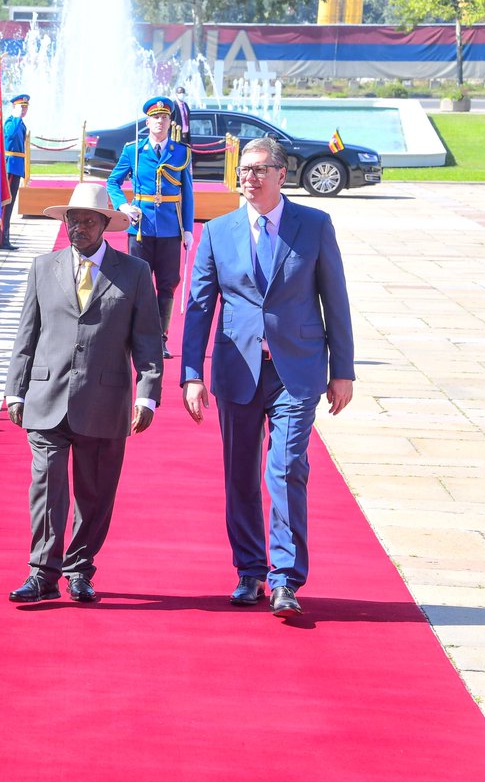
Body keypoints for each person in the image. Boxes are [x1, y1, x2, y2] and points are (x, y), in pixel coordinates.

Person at [180, 136, 355, 618]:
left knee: (285, 469)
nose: (249, 179)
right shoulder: (218, 232)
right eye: (244, 172)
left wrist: (342, 370)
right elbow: (198, 309)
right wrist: (192, 373)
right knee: (240, 474)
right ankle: (249, 571)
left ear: (282, 174)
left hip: (295, 370)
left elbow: (334, 301)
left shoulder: (314, 226)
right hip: (237, 370)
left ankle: (285, 579)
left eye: (259, 170)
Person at [4, 183, 163, 604]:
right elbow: (27, 333)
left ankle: (79, 568)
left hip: (104, 400)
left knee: (94, 494)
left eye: (88, 221)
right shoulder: (43, 267)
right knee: (47, 487)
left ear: (106, 226)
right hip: (46, 396)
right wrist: (15, 390)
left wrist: (147, 395)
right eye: (72, 221)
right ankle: (41, 572)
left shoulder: (134, 272)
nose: (78, 228)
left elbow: (147, 339)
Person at [107, 96, 194, 360]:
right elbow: (113, 182)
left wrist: (187, 228)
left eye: (164, 117)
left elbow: (188, 193)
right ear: (147, 122)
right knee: (137, 283)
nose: (160, 121)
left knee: (167, 285)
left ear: (170, 122)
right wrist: (123, 206)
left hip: (169, 229)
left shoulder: (181, 152)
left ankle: (160, 338)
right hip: (140, 228)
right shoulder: (133, 150)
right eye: (155, 117)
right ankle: (133, 336)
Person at [0, 93, 29, 250]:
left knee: (10, 206)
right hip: (10, 167)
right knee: (5, 205)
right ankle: (0, 239)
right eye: (21, 107)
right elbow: (11, 135)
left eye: (25, 107)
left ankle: (4, 238)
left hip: (16, 168)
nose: (23, 110)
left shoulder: (19, 123)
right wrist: (15, 117)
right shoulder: (10, 122)